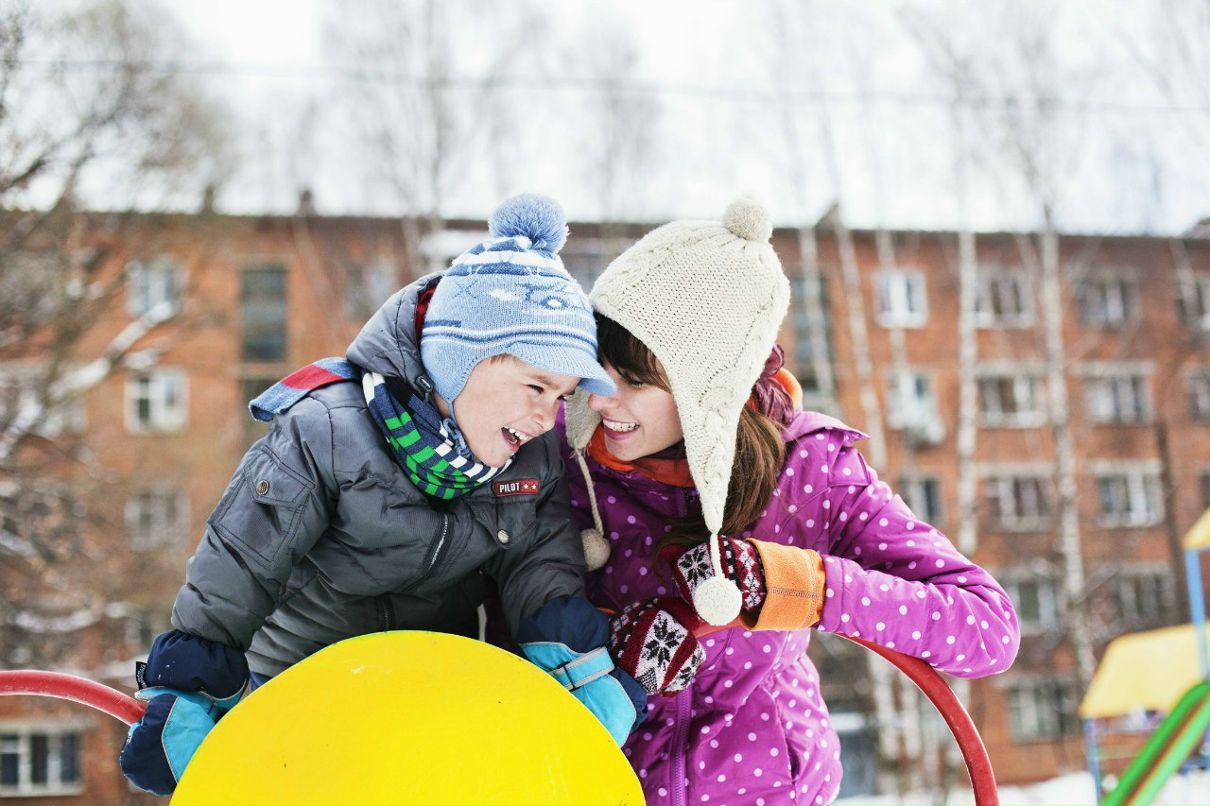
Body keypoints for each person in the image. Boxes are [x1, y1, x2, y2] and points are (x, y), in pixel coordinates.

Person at [118, 194, 645, 795]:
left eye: (561, 396)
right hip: (298, 685)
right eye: (535, 385)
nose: (545, 414)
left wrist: (575, 669)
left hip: (424, 694)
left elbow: (540, 565)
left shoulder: (530, 456)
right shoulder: (326, 430)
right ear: (459, 363)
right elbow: (240, 563)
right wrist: (189, 688)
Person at [558, 199, 1021, 805]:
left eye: (637, 380)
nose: (600, 400)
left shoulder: (809, 470)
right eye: (599, 368)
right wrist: (606, 650)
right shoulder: (568, 471)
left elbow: (986, 628)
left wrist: (809, 588)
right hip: (603, 788)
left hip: (771, 792)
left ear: (709, 385)